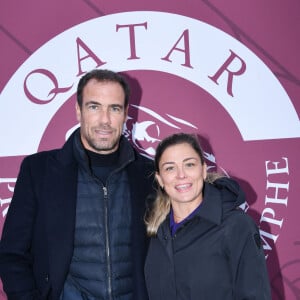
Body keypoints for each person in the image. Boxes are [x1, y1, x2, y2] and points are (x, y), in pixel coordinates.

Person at [0, 69, 155, 300]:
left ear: (125, 114)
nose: (105, 120)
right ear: (78, 111)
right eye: (94, 107)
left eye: (114, 108)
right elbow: (12, 255)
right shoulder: (39, 171)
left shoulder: (148, 173)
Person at [144, 133, 271, 300]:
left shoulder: (236, 226)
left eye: (189, 165)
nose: (181, 175)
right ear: (160, 179)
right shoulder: (157, 234)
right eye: (170, 168)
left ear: (203, 170)